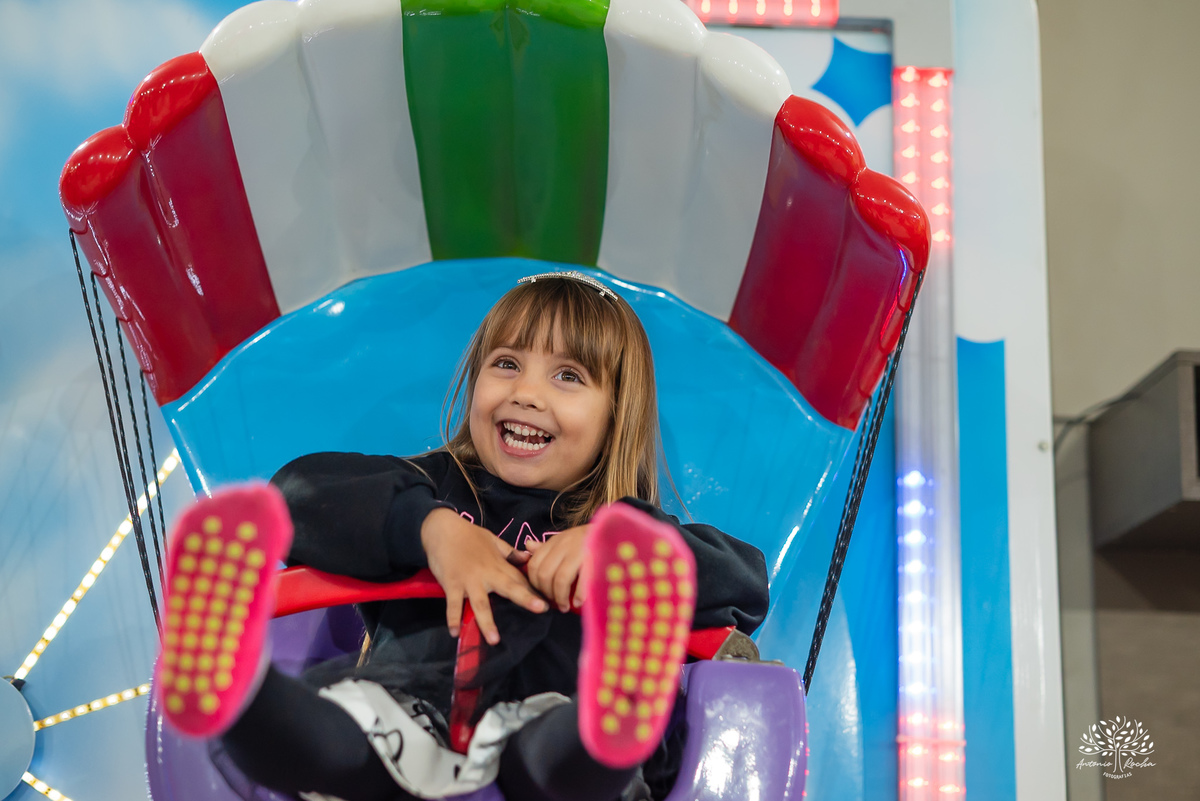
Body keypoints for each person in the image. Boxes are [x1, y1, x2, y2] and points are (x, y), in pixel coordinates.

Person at [155, 271, 769, 801]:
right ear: (475, 383)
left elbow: (744, 581)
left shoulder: (619, 527)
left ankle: (614, 715)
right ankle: (236, 691)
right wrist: (428, 529)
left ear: (616, 415)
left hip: (547, 727)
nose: (526, 394)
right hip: (407, 713)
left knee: (555, 760)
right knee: (337, 742)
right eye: (506, 365)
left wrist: (614, 549)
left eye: (568, 376)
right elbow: (298, 496)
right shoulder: (433, 487)